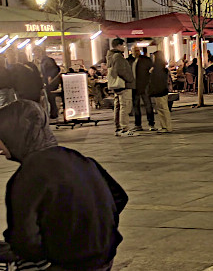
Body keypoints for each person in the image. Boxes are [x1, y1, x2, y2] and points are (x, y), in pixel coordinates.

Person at [0, 101, 128, 271]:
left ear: (14, 134)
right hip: (103, 257)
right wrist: (92, 230)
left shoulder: (27, 176)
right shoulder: (77, 158)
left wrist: (59, 245)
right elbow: (119, 197)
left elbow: (25, 242)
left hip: (69, 264)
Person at [106, 38, 135, 137]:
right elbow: (121, 71)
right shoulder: (118, 56)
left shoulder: (110, 56)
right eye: (123, 45)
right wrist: (130, 79)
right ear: (118, 46)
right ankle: (124, 128)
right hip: (123, 85)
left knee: (118, 107)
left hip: (116, 86)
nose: (124, 47)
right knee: (125, 106)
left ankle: (118, 128)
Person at [130, 47, 155, 132]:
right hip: (134, 87)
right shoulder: (130, 61)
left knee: (148, 104)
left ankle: (151, 123)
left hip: (144, 86)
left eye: (137, 50)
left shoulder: (145, 60)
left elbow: (151, 70)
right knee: (136, 106)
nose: (136, 52)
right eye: (134, 51)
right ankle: (138, 124)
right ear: (131, 52)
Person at [147, 49, 172, 134]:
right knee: (163, 109)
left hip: (158, 90)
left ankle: (166, 126)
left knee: (162, 109)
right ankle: (165, 126)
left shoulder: (155, 70)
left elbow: (154, 81)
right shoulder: (164, 69)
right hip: (163, 90)